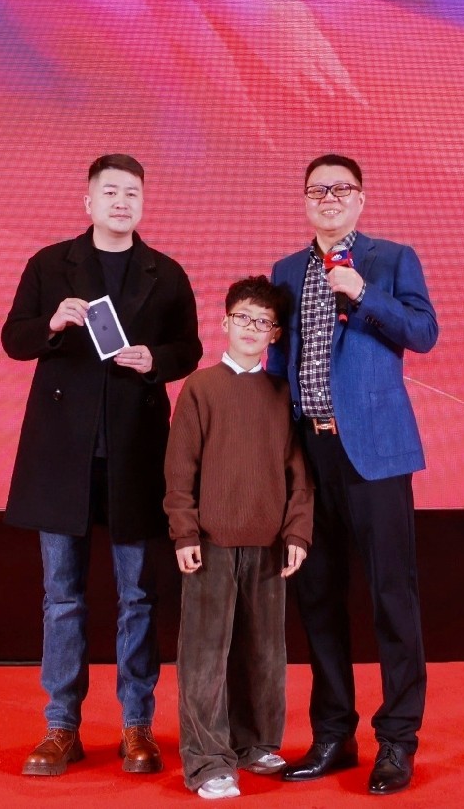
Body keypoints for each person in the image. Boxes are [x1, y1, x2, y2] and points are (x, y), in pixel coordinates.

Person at [0, 154, 203, 778]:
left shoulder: (166, 273)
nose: (121, 202)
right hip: (62, 454)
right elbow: (13, 339)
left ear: (143, 202)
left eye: (131, 193)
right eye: (110, 192)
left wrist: (155, 359)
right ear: (88, 202)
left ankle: (137, 725)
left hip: (136, 451)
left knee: (138, 596)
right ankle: (61, 726)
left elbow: (189, 348)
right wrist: (52, 324)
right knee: (61, 596)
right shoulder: (49, 265)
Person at [269, 155, 438, 796]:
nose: (329, 198)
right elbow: (281, 362)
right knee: (317, 597)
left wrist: (363, 294)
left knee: (392, 596)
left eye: (341, 189)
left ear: (361, 199)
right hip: (309, 455)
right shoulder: (286, 271)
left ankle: (397, 739)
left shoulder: (391, 259)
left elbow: (423, 332)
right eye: (318, 190)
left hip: (375, 453)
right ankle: (334, 734)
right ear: (305, 201)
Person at [164, 275, 314, 801]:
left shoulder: (281, 393)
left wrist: (297, 531)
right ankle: (207, 761)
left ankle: (255, 743)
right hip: (210, 543)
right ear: (224, 322)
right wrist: (184, 531)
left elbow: (299, 473)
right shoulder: (201, 388)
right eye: (242, 318)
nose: (252, 328)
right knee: (205, 655)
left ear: (276, 333)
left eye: (263, 322)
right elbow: (179, 469)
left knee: (265, 653)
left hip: (268, 544)